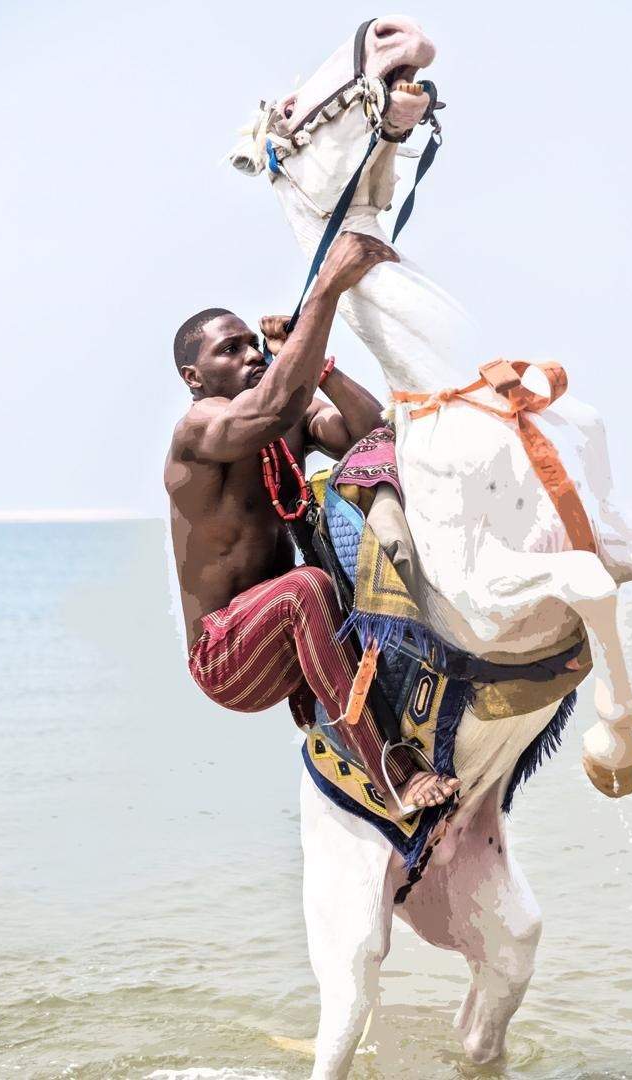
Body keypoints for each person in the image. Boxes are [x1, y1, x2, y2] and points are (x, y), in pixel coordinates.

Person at [165, 231, 460, 815]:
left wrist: (320, 367)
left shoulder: (282, 418)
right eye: (230, 350)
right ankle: (391, 775)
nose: (251, 354)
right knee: (309, 586)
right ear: (194, 379)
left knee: (344, 576)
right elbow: (271, 406)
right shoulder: (199, 429)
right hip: (227, 658)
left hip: (284, 632)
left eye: (254, 344)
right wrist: (327, 288)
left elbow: (373, 432)